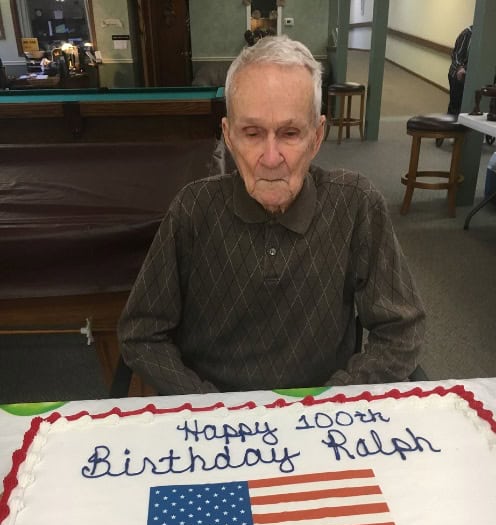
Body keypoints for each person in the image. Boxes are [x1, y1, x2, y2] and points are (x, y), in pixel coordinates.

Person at [118, 35, 425, 395]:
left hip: (323, 415)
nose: (270, 156)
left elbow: (402, 330)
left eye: (290, 133)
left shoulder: (357, 205)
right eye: (252, 133)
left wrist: (335, 399)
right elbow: (141, 333)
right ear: (228, 136)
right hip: (214, 419)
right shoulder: (193, 209)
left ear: (317, 136)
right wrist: (207, 405)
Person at [448, 25, 472, 116]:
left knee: (464, 107)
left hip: (469, 76)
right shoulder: (467, 33)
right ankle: (450, 127)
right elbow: (457, 55)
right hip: (456, 75)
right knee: (455, 106)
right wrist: (460, 68)